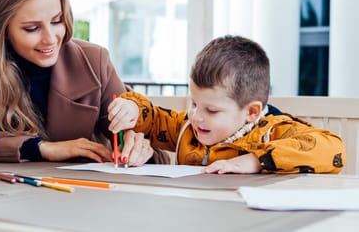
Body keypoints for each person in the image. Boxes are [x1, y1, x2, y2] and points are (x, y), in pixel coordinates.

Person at [0, 0, 154, 165]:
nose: (50, 39)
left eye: (56, 21)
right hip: (8, 189)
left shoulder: (94, 61)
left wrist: (138, 143)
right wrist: (42, 149)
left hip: (83, 192)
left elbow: (136, 133)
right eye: (32, 28)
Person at [108, 35, 346, 174]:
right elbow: (154, 119)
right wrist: (133, 108)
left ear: (251, 112)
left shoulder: (272, 131)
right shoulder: (186, 129)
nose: (196, 116)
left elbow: (333, 149)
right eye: (193, 103)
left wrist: (253, 161)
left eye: (211, 110)